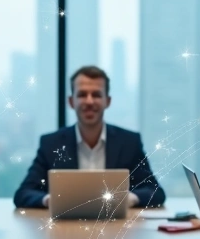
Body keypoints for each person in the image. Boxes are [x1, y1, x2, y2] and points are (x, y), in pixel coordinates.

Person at [14, 65, 165, 209]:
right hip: (66, 225)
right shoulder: (51, 144)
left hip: (115, 225)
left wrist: (129, 198)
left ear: (108, 101)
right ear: (71, 102)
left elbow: (155, 191)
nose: (89, 101)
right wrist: (49, 200)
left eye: (96, 95)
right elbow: (23, 193)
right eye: (82, 95)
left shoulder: (129, 142)